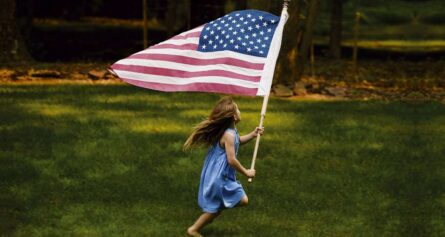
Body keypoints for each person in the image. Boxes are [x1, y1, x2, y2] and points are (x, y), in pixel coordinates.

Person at [184, 97, 264, 237]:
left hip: (219, 173)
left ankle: (194, 229)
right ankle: (193, 229)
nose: (239, 111)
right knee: (241, 200)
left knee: (215, 209)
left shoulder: (230, 131)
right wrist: (246, 172)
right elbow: (231, 160)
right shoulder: (228, 134)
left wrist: (253, 134)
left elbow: (237, 141)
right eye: (238, 109)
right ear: (234, 116)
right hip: (219, 176)